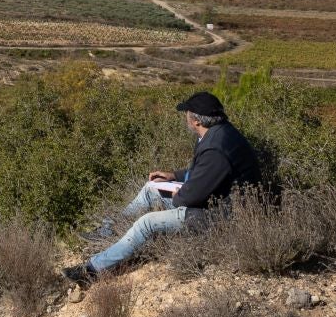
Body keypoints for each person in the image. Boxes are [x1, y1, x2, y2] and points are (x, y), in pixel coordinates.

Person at [61, 91, 261, 285]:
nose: (186, 118)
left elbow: (191, 197)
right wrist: (175, 176)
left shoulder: (215, 148)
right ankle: (107, 230)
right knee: (151, 188)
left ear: (196, 121)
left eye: (187, 114)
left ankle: (91, 270)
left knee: (147, 223)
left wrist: (179, 196)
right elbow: (206, 175)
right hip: (217, 202)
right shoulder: (221, 133)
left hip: (221, 217)